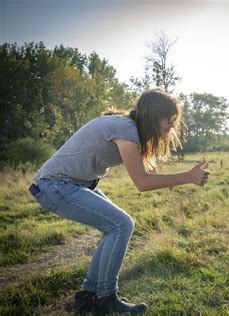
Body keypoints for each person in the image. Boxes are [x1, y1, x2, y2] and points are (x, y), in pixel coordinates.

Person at [29, 88, 210, 315]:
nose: (172, 126)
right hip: (55, 186)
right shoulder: (125, 128)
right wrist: (188, 177)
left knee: (115, 226)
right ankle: (106, 298)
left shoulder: (127, 127)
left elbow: (149, 174)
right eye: (168, 119)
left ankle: (89, 297)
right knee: (121, 224)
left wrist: (186, 175)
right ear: (153, 116)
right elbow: (143, 182)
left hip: (62, 185)